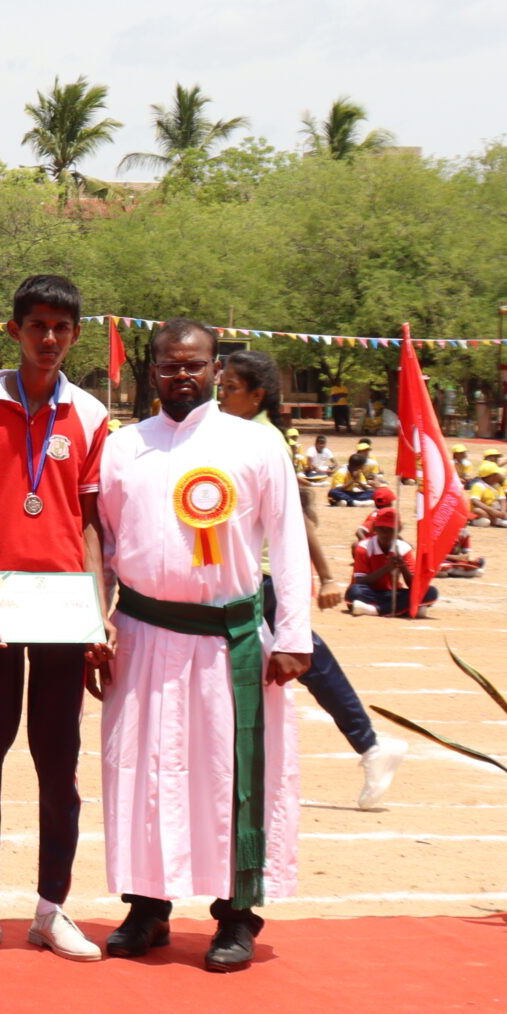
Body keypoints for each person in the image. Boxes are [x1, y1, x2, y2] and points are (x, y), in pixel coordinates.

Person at [94, 320, 311, 973]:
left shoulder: (256, 444)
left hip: (229, 641)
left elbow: (288, 541)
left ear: (216, 369)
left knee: (230, 776)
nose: (181, 375)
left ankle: (236, 914)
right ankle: (147, 905)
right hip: (140, 635)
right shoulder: (123, 447)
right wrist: (94, 625)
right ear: (152, 370)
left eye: (193, 364)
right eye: (169, 364)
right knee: (142, 772)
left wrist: (294, 635)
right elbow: (103, 545)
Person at [0, 274, 112, 961]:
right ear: (14, 330)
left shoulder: (91, 415)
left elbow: (92, 521)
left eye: (61, 328)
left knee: (58, 757)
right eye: (37, 325)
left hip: (65, 612)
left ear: (76, 335)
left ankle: (51, 908)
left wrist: (98, 608)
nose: (49, 338)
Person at [217, 351, 404, 812]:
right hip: (240, 571)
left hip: (260, 573)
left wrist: (327, 576)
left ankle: (370, 744)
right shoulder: (239, 432)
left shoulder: (262, 438)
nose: (220, 395)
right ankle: (369, 745)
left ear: (257, 395)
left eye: (230, 388)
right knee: (297, 660)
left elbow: (296, 516)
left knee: (304, 657)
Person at [348, 508, 437, 618]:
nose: (385, 534)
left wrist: (403, 567)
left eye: (390, 530)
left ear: (397, 531)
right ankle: (403, 609)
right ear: (375, 529)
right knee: (354, 592)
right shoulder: (364, 547)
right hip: (370, 592)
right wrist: (387, 568)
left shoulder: (404, 548)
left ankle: (375, 610)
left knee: (430, 592)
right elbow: (360, 581)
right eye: (381, 529)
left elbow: (413, 585)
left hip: (393, 593)